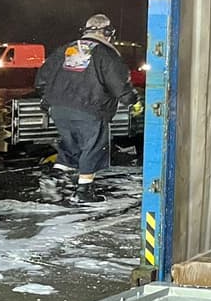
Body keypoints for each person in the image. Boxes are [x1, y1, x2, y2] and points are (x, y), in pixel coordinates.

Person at [35, 14, 137, 204]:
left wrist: (49, 99)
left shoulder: (65, 50)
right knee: (94, 147)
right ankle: (84, 192)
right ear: (107, 32)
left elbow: (42, 79)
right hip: (90, 109)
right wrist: (130, 99)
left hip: (59, 109)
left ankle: (54, 177)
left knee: (71, 145)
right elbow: (117, 82)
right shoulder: (106, 54)